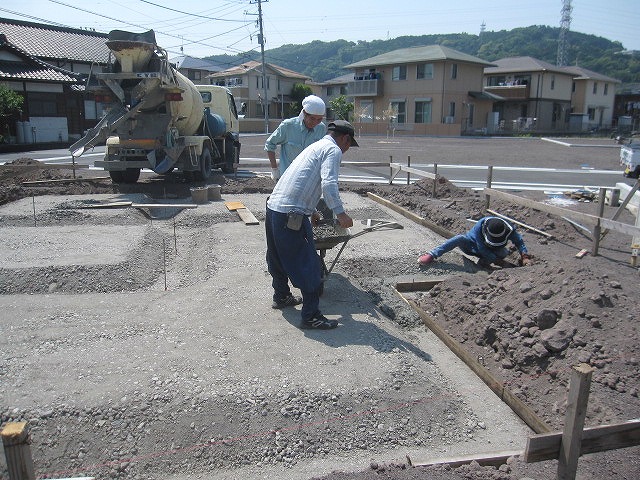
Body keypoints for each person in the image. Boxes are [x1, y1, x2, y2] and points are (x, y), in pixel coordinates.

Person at [265, 120, 358, 330]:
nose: (347, 149)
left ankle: (281, 296)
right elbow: (328, 183)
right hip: (292, 214)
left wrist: (313, 210)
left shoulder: (315, 146)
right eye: (349, 145)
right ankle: (310, 316)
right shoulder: (333, 150)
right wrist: (341, 214)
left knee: (277, 257)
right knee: (309, 264)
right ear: (345, 139)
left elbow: (302, 181)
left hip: (274, 209)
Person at [417, 216, 532, 268]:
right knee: (459, 238)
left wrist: (525, 256)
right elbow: (482, 248)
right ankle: (432, 255)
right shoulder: (481, 225)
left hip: (494, 250)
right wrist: (500, 263)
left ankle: (483, 263)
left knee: (504, 253)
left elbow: (519, 242)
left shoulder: (508, 229)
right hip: (472, 247)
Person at [265, 94, 327, 182]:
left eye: (319, 119)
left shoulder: (321, 128)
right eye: (312, 118)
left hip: (309, 179)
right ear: (304, 113)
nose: (315, 123)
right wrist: (274, 169)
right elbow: (270, 144)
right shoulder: (288, 126)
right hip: (288, 178)